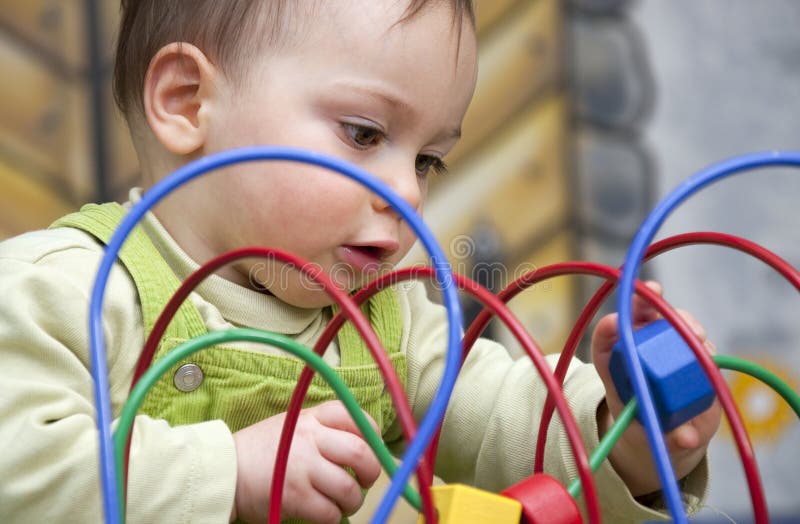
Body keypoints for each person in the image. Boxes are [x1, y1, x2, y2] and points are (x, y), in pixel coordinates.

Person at [0, 1, 721, 523]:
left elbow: (506, 422)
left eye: (429, 158)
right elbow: (20, 474)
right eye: (364, 133)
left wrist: (619, 432)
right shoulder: (64, 290)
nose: (407, 192)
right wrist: (233, 474)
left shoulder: (392, 318)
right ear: (188, 102)